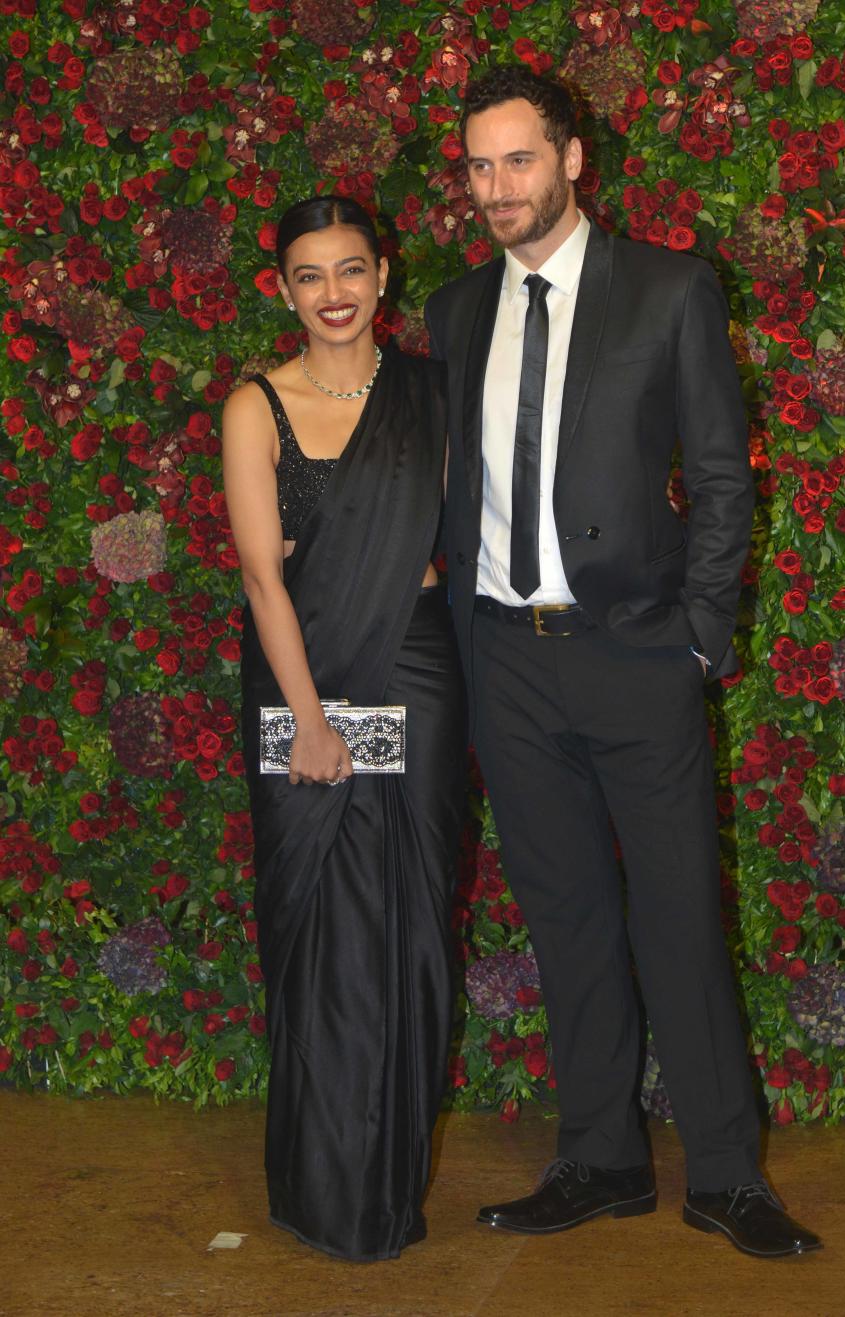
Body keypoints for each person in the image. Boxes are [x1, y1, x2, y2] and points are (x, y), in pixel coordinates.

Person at [425, 66, 821, 1259]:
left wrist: (698, 636)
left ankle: (726, 1174)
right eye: (479, 168)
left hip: (636, 655)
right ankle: (598, 1158)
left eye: (518, 162)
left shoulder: (669, 291)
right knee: (567, 919)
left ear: (573, 159)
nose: (497, 190)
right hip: (508, 660)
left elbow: (719, 477)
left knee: (678, 917)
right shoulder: (452, 311)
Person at [222, 196, 466, 1262]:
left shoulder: (428, 393)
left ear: (383, 276)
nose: (334, 294)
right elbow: (261, 579)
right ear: (285, 289)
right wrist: (311, 723)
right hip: (297, 681)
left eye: (351, 270)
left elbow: (467, 540)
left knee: (411, 928)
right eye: (311, 276)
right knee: (319, 934)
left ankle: (389, 1185)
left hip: (417, 670)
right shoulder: (253, 405)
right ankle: (324, 1186)